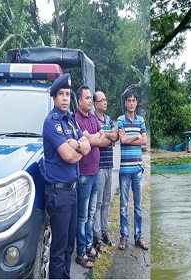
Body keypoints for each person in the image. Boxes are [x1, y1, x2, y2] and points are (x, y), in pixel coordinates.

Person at [42, 73, 91, 278]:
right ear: (54, 98)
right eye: (60, 94)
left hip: (72, 192)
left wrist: (77, 145)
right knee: (59, 250)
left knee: (69, 247)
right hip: (58, 194)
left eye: (67, 94)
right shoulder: (52, 123)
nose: (64, 98)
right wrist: (78, 149)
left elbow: (86, 147)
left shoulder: (71, 121)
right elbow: (69, 156)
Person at [74, 85, 107, 267]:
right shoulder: (77, 120)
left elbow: (101, 137)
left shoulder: (93, 118)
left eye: (90, 98)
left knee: (91, 213)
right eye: (86, 98)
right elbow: (91, 139)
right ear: (79, 101)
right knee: (82, 216)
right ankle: (80, 252)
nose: (89, 101)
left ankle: (88, 245)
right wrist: (94, 139)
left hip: (95, 173)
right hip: (84, 175)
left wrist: (94, 138)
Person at [117, 89, 148, 251]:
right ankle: (124, 235)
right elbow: (122, 140)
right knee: (123, 205)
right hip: (124, 170)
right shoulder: (120, 120)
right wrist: (136, 137)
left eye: (133, 100)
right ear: (125, 103)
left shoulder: (141, 120)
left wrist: (132, 139)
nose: (130, 103)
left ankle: (138, 236)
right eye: (128, 100)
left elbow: (145, 140)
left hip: (137, 169)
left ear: (136, 103)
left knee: (138, 205)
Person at [92, 90, 119, 249]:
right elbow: (100, 141)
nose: (105, 102)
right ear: (96, 104)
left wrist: (107, 136)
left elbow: (115, 137)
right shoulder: (93, 120)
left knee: (106, 201)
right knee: (98, 202)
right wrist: (108, 137)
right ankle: (97, 236)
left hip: (110, 166)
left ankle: (105, 232)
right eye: (102, 100)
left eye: (106, 100)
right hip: (99, 166)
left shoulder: (108, 119)